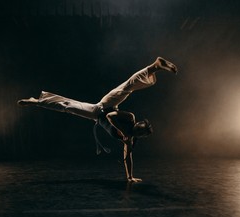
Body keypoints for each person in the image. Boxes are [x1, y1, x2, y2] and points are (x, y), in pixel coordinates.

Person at [18, 57, 177, 182]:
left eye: (141, 134)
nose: (138, 133)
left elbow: (127, 157)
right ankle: (155, 66)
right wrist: (123, 132)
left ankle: (37, 101)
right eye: (140, 130)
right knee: (126, 88)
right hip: (106, 106)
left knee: (68, 107)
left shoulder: (130, 140)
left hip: (95, 114)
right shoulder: (130, 118)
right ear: (138, 124)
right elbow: (109, 115)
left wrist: (129, 177)